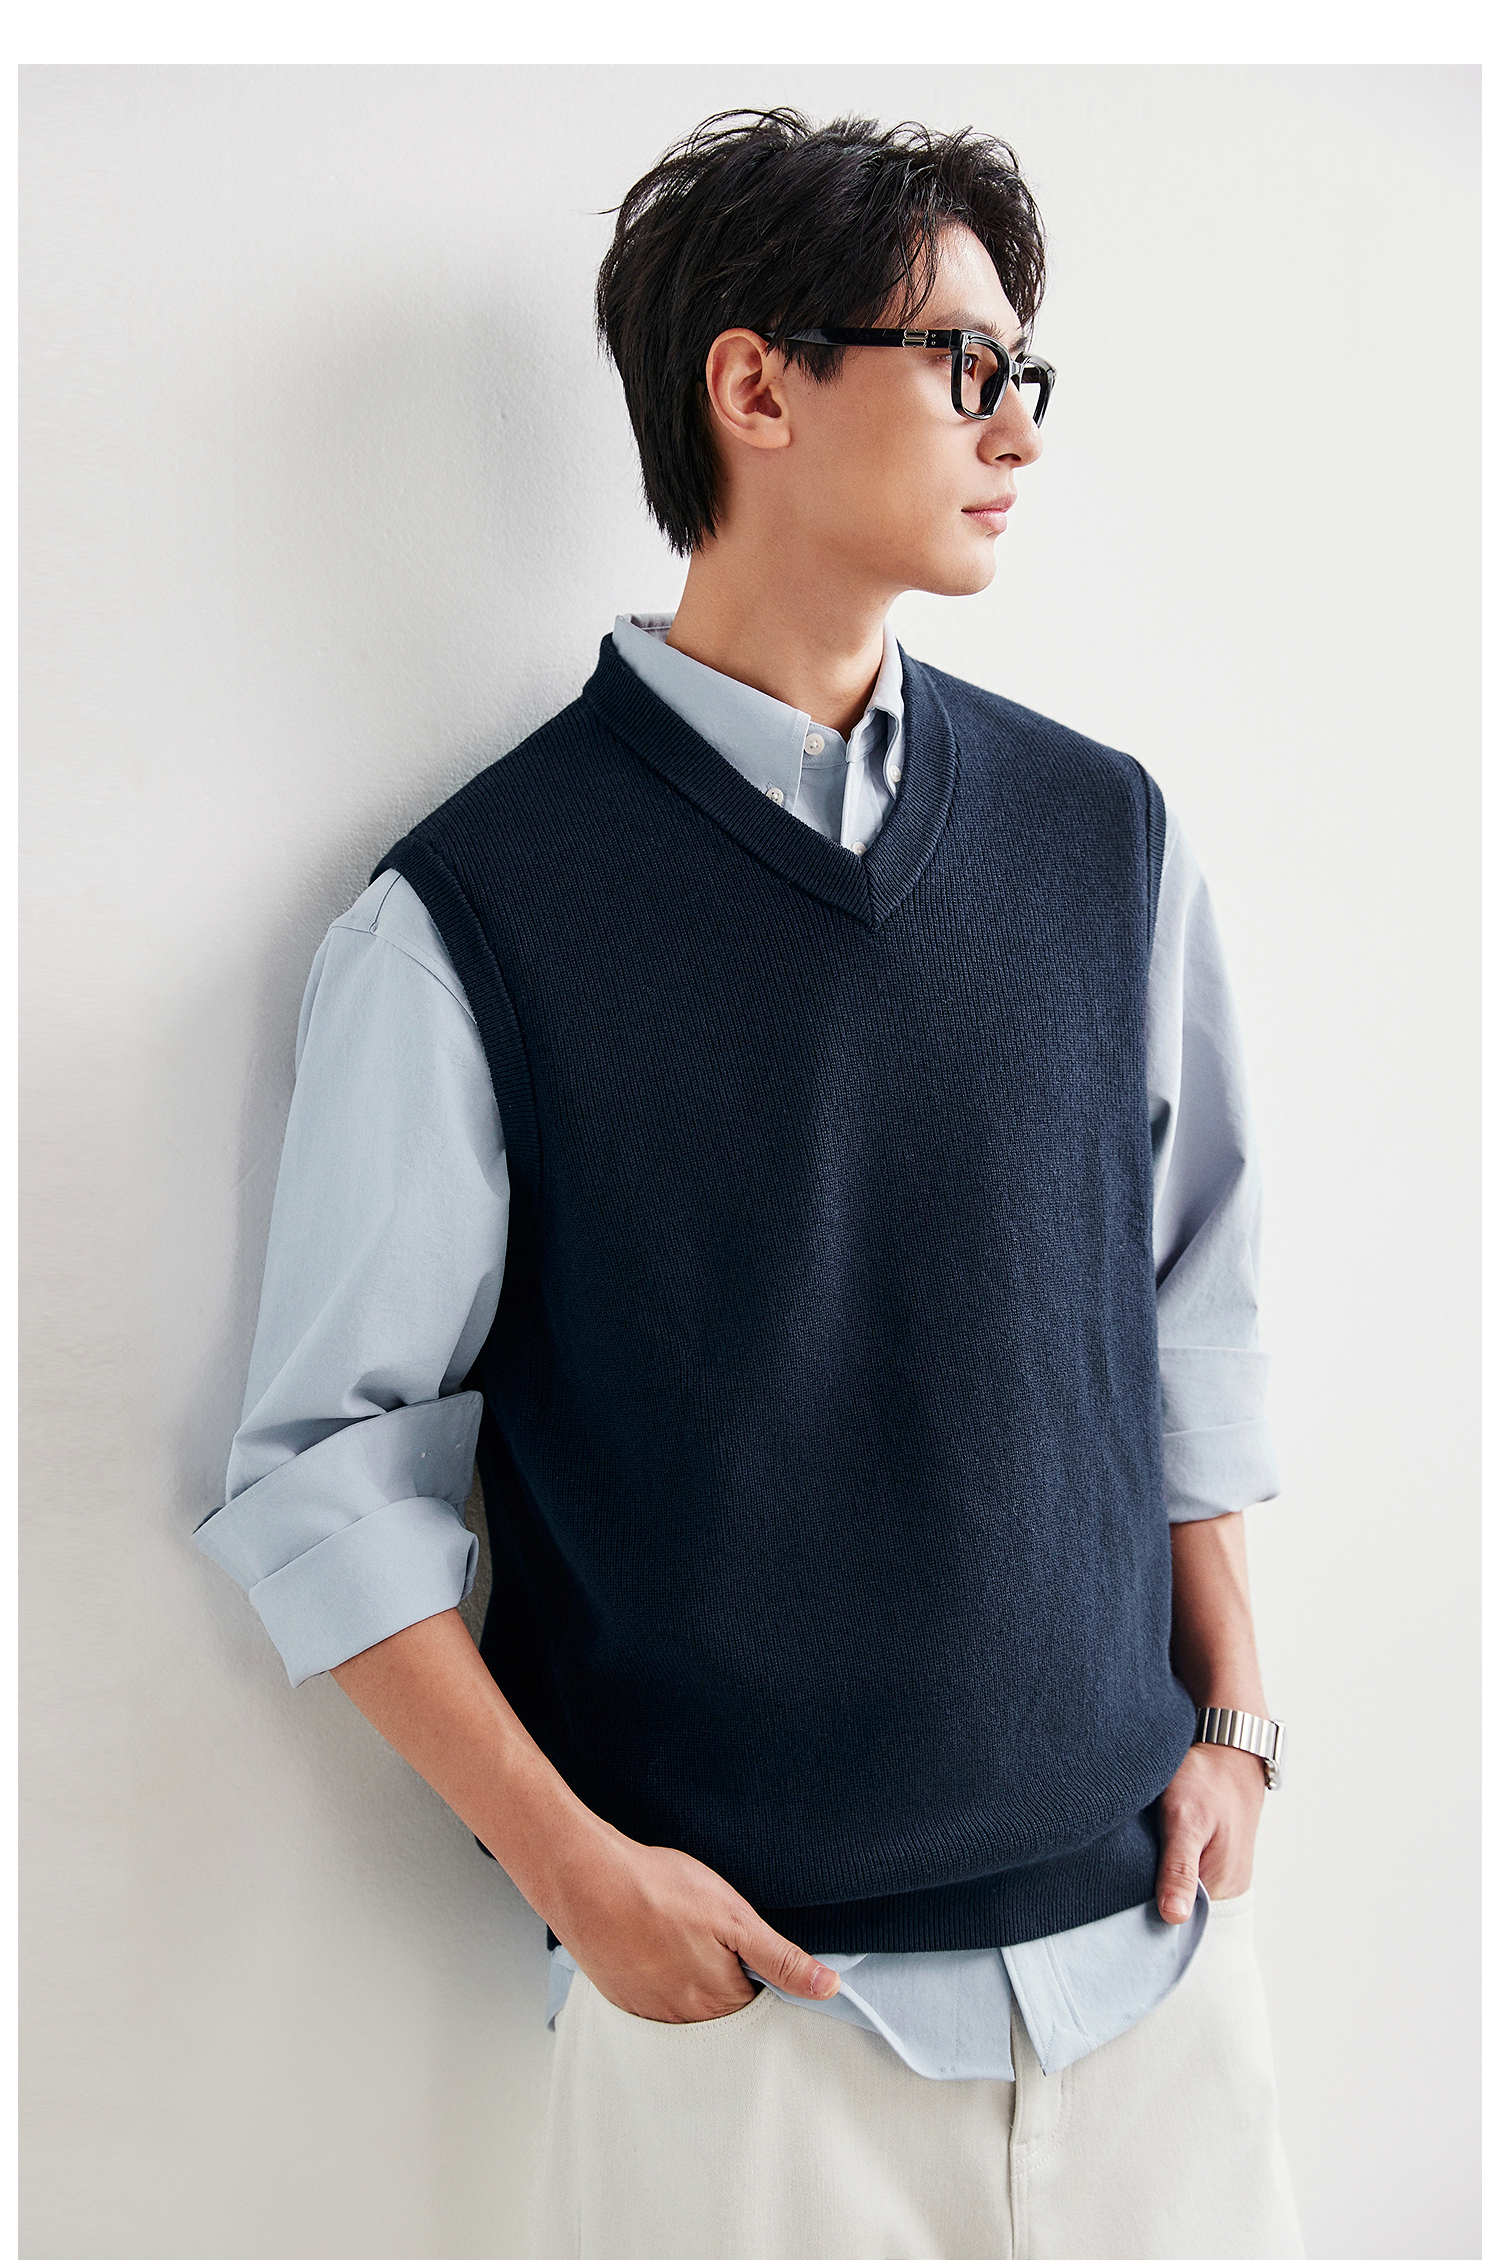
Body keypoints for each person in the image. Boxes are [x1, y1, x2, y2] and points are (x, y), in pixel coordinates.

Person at [193, 109, 1305, 2259]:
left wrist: (1237, 1718)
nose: (1018, 428)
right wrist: (576, 1873)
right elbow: (326, 1471)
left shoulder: (1108, 838)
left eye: (1027, 374)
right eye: (964, 366)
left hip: (1157, 1978)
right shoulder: (471, 917)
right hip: (761, 2039)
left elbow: (1197, 1297)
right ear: (755, 386)